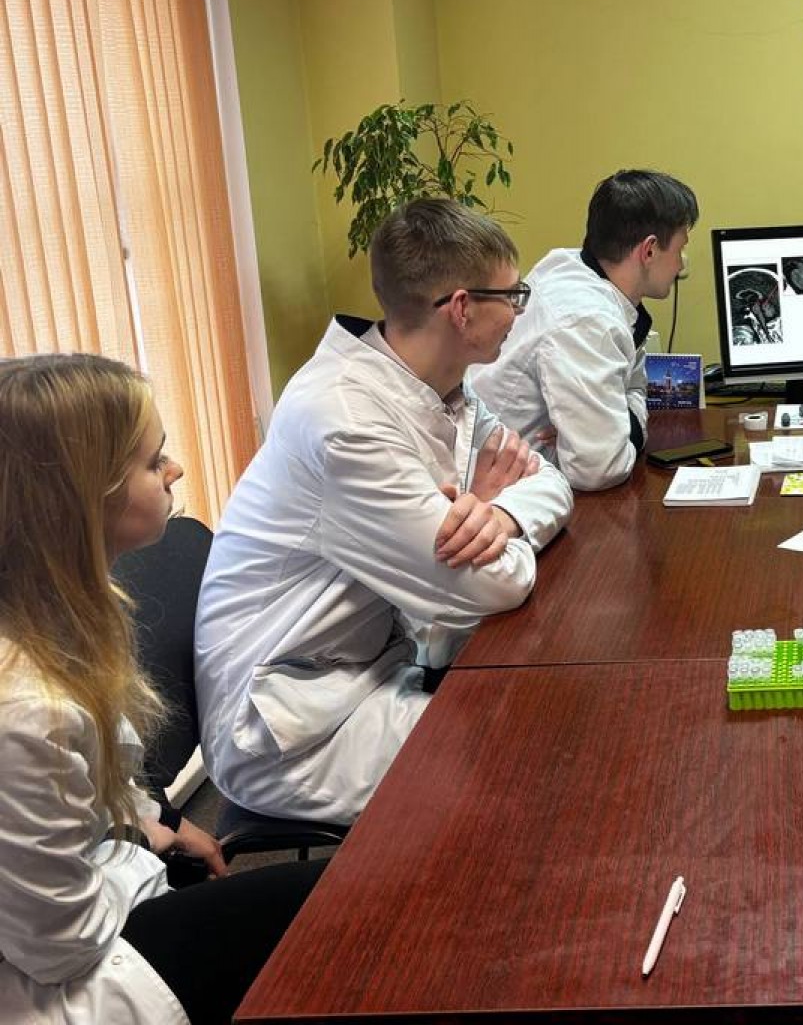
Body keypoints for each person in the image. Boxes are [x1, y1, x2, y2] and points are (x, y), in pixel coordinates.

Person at [196, 200, 574, 826]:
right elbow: (489, 585)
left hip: (373, 667)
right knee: (530, 768)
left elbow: (551, 481)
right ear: (462, 308)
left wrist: (501, 515)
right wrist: (488, 506)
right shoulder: (344, 420)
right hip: (295, 729)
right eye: (513, 296)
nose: (519, 312)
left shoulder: (443, 388)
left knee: (549, 720)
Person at [0, 354, 323, 1024]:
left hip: (96, 891)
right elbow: (60, 947)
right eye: (153, 462)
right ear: (79, 498)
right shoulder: (25, 710)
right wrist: (139, 846)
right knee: (332, 918)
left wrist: (157, 822)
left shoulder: (56, 614)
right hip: (67, 982)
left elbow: (90, 789)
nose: (174, 470)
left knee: (334, 906)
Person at [472, 170, 698, 490]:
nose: (681, 264)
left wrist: (611, 424)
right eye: (679, 249)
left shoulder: (573, 268)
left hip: (527, 479)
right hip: (503, 491)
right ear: (649, 250)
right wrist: (614, 428)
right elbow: (600, 469)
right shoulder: (586, 320)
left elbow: (635, 391)